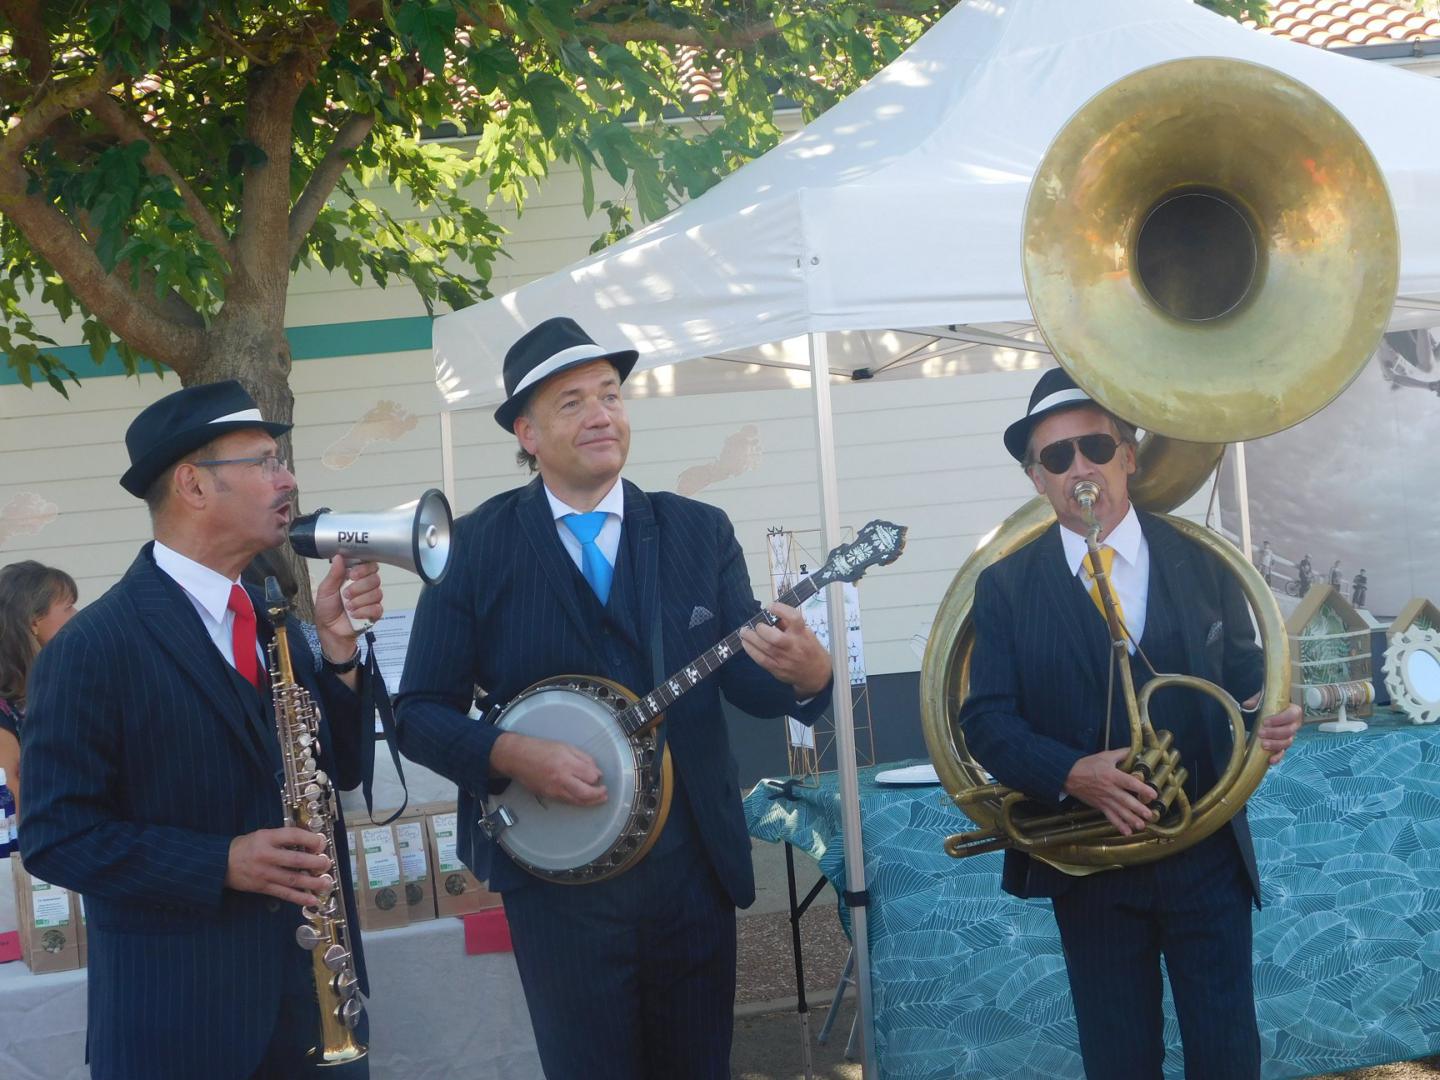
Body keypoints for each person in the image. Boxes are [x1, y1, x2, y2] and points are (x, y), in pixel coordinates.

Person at [395, 317, 834, 1079]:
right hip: (557, 882)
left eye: (611, 394)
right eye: (573, 402)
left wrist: (809, 673)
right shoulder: (474, 549)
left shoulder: (698, 531)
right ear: (527, 433)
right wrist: (510, 753)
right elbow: (418, 712)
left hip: (691, 872)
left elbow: (750, 687)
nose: (602, 414)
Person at [19, 381, 383, 1080]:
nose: (290, 478)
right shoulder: (93, 647)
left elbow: (340, 773)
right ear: (192, 484)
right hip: (179, 1027)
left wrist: (337, 649)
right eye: (266, 461)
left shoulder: (279, 620)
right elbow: (57, 837)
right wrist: (220, 862)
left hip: (316, 1004)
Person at [958, 368, 1301, 1079]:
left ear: (1129, 457)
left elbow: (1245, 681)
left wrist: (1265, 717)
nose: (1079, 468)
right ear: (1037, 479)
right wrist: (1069, 773)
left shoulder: (1205, 561)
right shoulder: (1004, 587)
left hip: (1204, 851)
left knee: (1228, 1054)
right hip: (1090, 870)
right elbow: (986, 720)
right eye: (1057, 458)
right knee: (1118, 1062)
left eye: (1095, 447)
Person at [0, 561, 78, 816]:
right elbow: (11, 804)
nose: (77, 614)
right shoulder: (4, 713)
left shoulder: (50, 689)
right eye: (67, 607)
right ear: (33, 621)